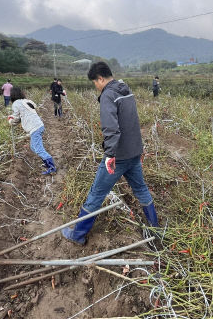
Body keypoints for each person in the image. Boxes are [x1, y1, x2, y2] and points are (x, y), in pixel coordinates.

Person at [62, 62, 159, 246]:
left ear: (100, 78)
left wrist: (110, 155)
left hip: (119, 155)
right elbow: (132, 122)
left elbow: (111, 129)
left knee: (96, 193)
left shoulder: (108, 95)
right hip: (134, 152)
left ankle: (78, 234)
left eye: (95, 83)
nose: (96, 87)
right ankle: (155, 228)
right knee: (141, 189)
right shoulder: (125, 90)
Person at [8, 87, 57, 175]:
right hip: (39, 126)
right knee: (33, 147)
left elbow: (15, 117)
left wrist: (10, 120)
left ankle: (52, 167)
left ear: (13, 95)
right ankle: (47, 163)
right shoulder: (25, 101)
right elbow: (21, 117)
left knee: (38, 149)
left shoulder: (16, 103)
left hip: (35, 128)